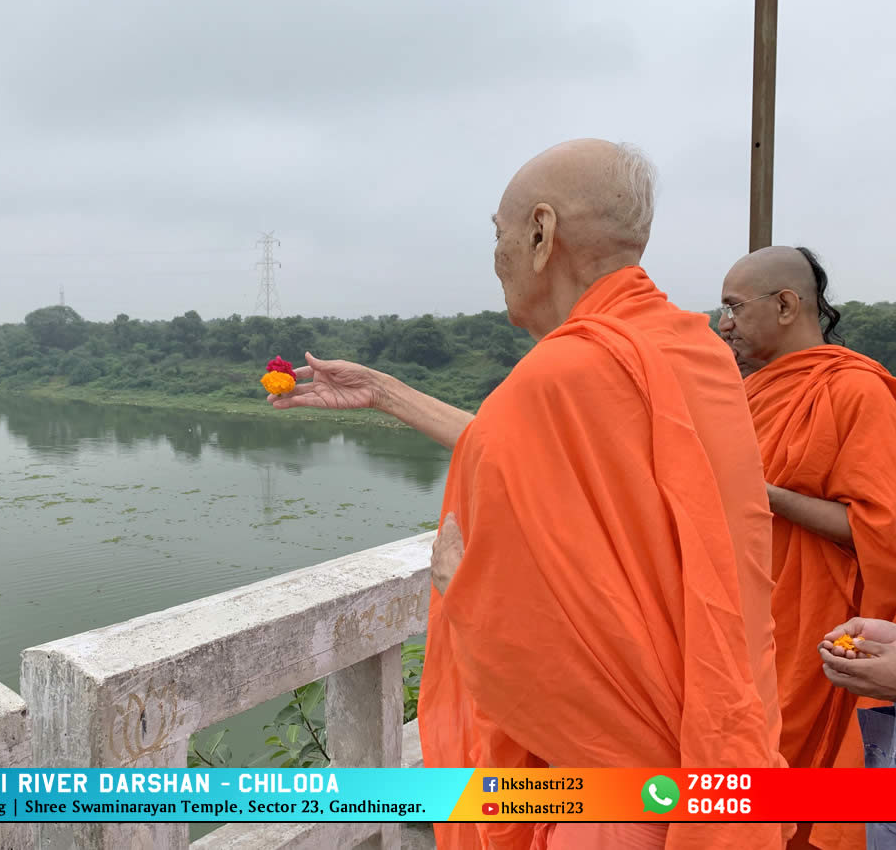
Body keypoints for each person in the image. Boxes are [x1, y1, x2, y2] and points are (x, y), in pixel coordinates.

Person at [274, 139, 787, 849]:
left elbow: (522, 634)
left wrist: (462, 585)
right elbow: (529, 447)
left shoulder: (559, 375)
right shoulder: (693, 348)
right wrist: (387, 394)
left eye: (500, 233)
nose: (497, 255)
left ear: (542, 234)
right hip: (718, 745)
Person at [719, 247, 896, 850]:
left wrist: (766, 495)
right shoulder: (750, 392)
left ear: (786, 304)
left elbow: (886, 533)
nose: (724, 324)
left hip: (820, 625)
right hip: (749, 617)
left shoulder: (855, 392)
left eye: (734, 307)